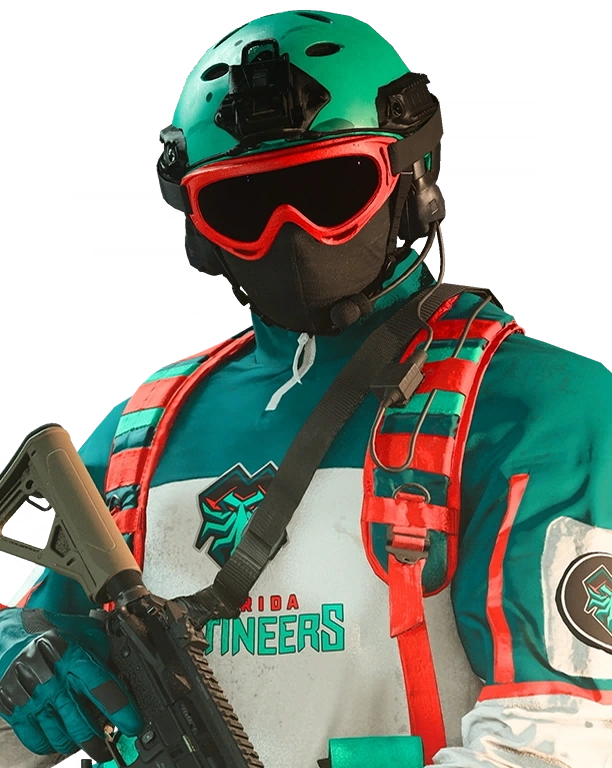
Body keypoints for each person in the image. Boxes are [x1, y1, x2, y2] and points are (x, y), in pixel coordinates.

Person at [0, 10, 611, 768]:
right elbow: (46, 650)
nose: (291, 231)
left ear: (411, 177)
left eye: (330, 188)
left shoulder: (535, 407)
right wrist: (19, 649)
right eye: (243, 206)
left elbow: (559, 739)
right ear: (197, 224)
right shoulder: (136, 431)